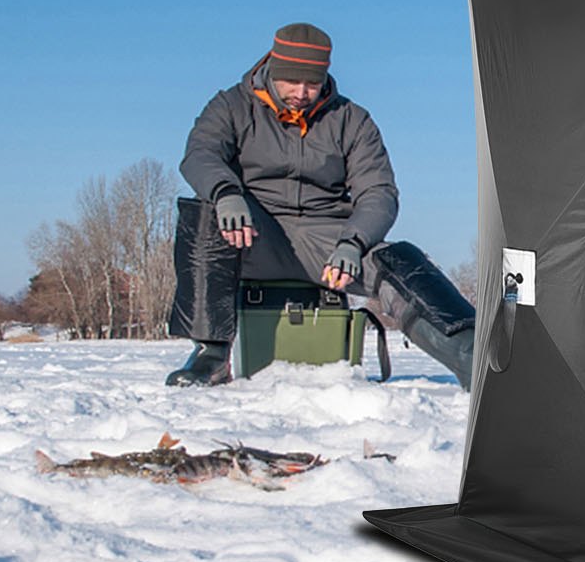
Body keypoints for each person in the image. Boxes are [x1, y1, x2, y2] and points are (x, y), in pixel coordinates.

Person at [167, 21, 474, 387]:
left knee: (400, 261)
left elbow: (378, 191)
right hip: (254, 234)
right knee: (202, 221)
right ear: (272, 70)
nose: (301, 92)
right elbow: (201, 154)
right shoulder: (231, 105)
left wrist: (354, 240)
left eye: (312, 83)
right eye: (292, 82)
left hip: (329, 244)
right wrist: (225, 193)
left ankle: (473, 357)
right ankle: (210, 356)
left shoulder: (351, 119)